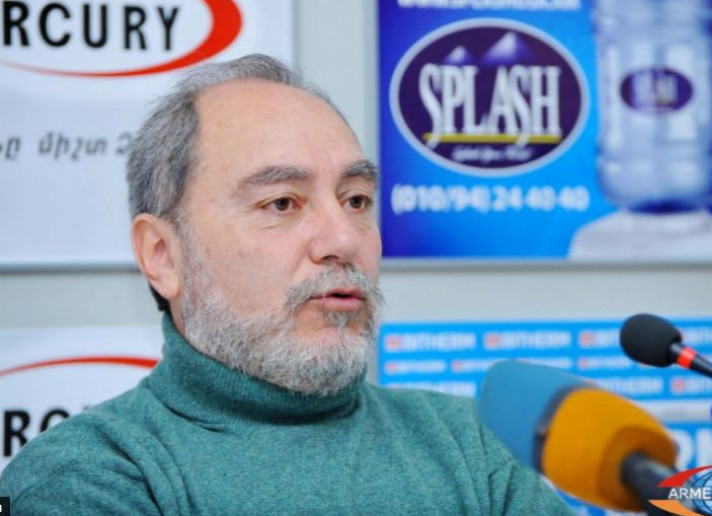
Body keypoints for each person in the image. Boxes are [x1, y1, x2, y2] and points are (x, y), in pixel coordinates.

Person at [0, 54, 573, 515]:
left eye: (356, 200)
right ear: (163, 256)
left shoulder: (469, 443)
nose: (342, 238)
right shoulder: (91, 475)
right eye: (282, 203)